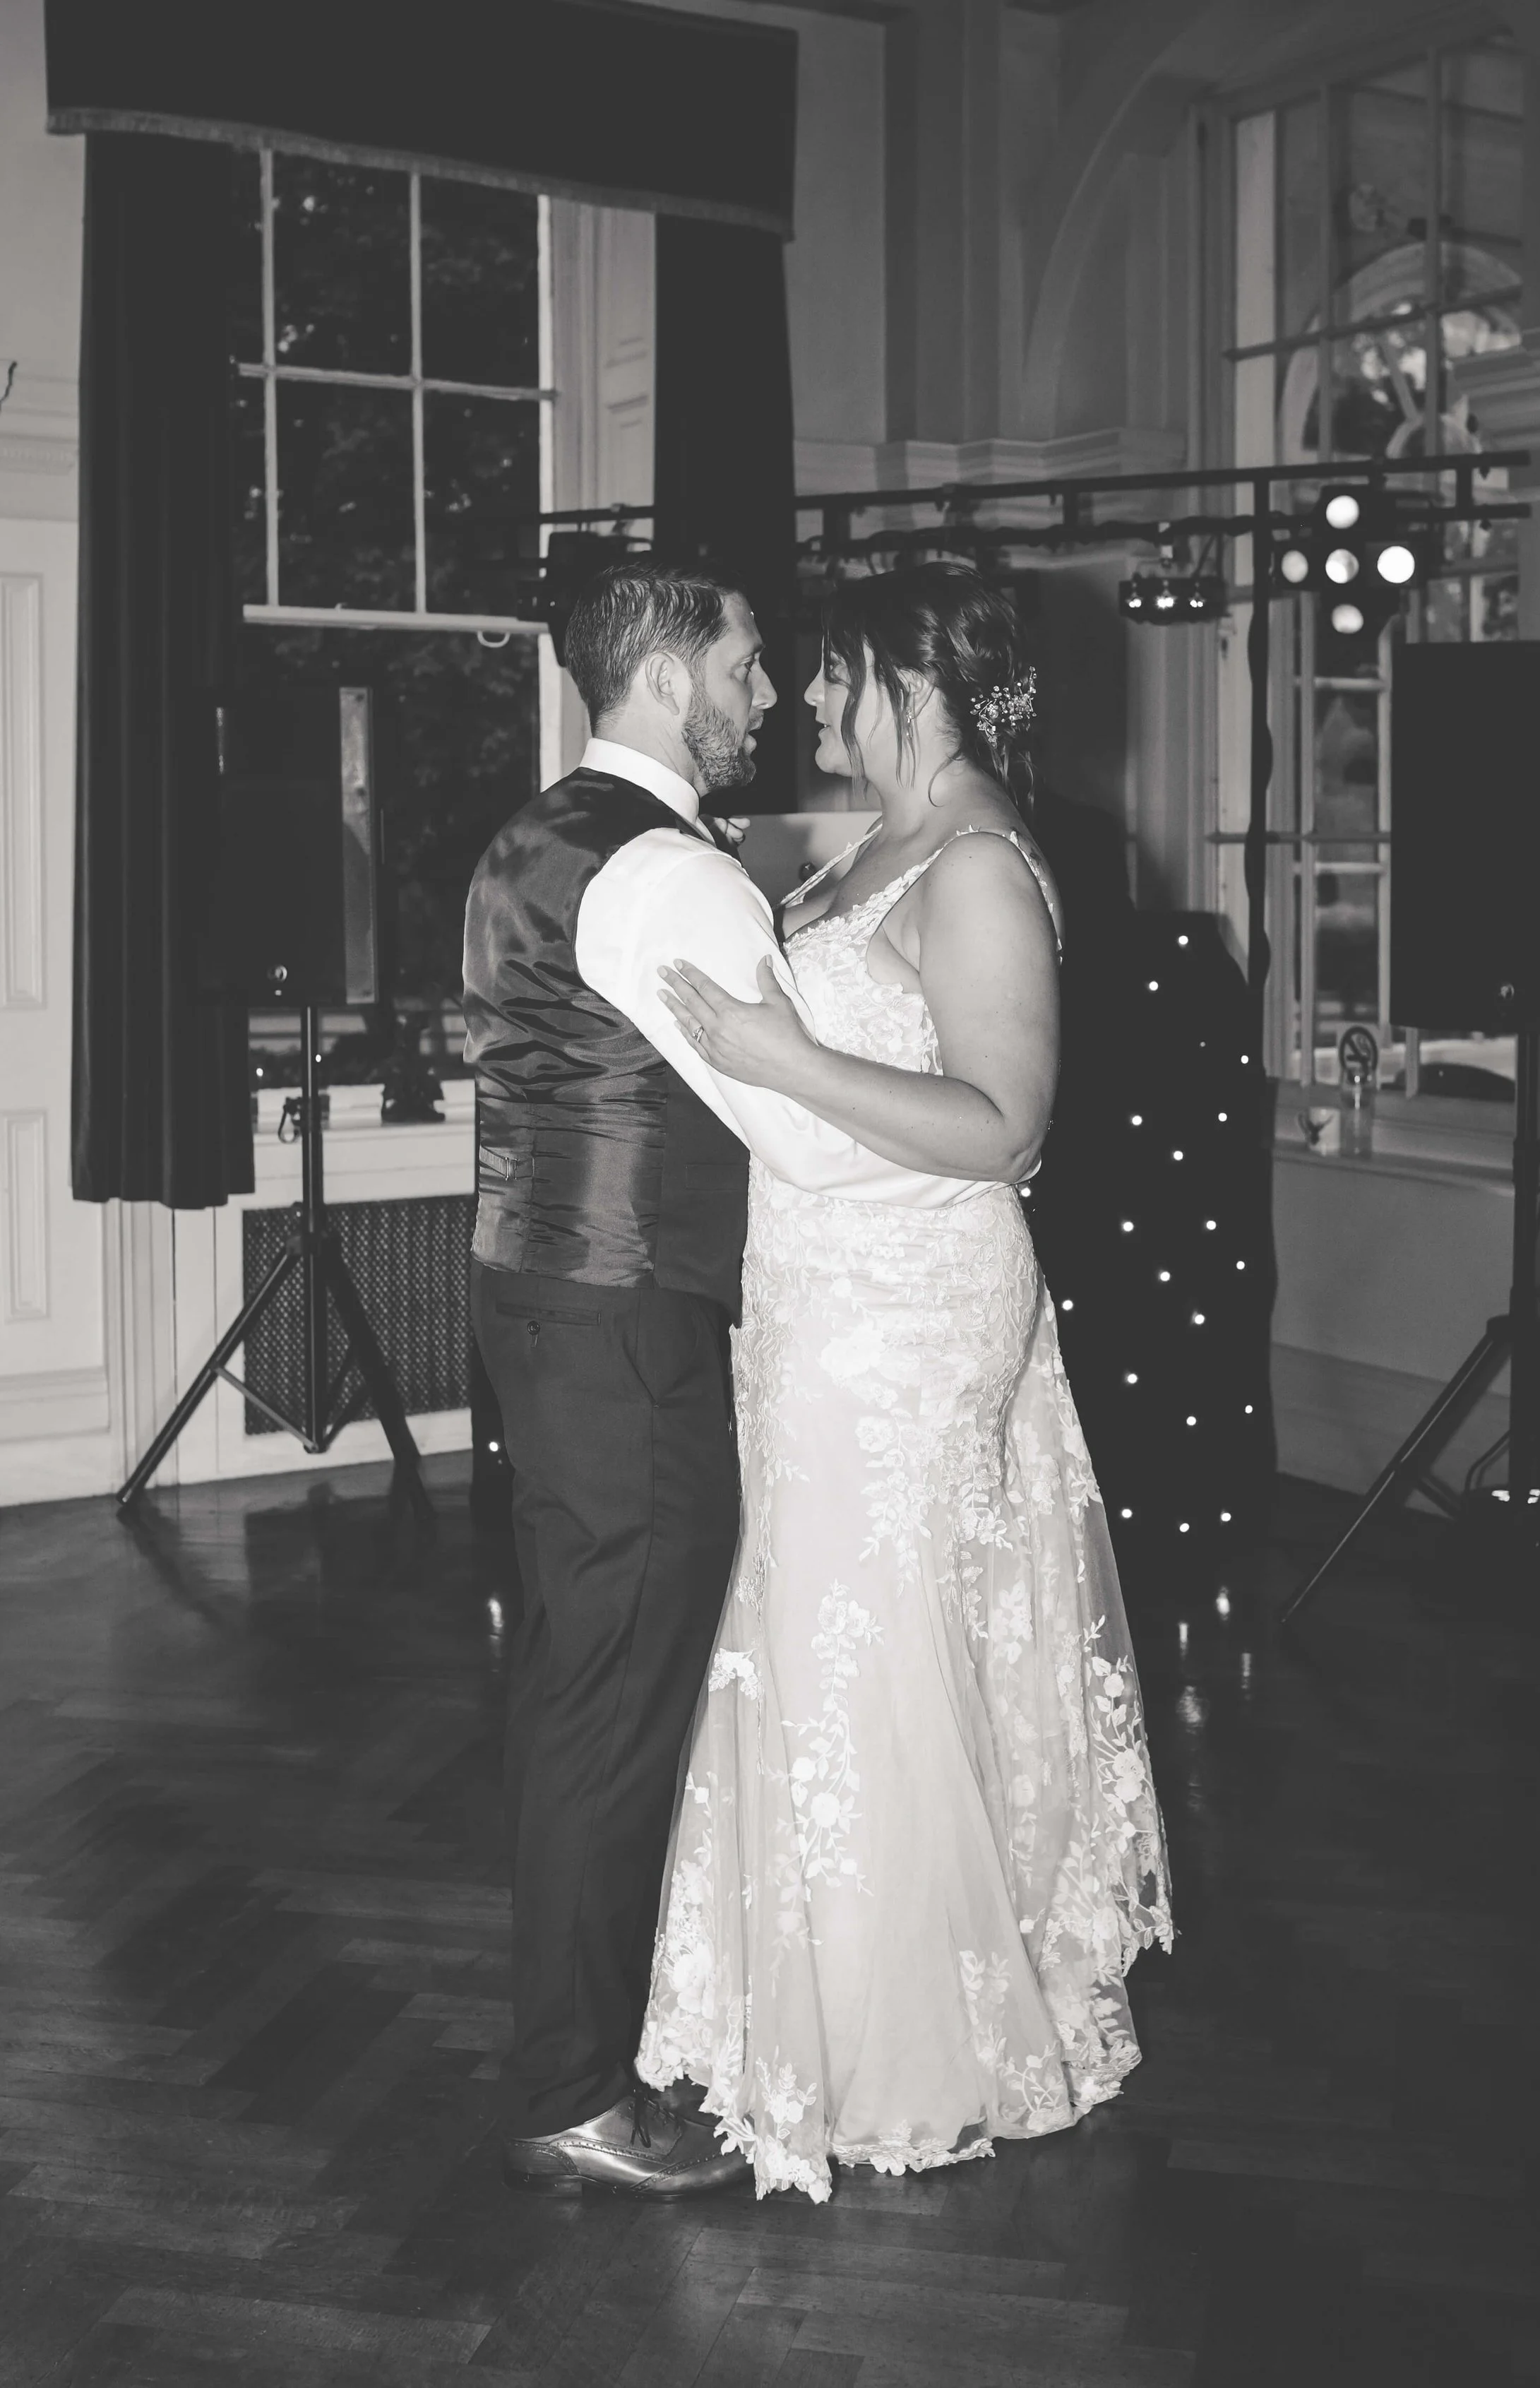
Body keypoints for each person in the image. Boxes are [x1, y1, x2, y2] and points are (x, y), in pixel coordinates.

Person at [637, 562, 1172, 2202]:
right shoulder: (870, 845)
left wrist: (783, 1055)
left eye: (829, 677)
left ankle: (898, 2057)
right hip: (814, 1298)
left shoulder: (985, 863)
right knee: (812, 1633)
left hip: (912, 1311)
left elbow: (1005, 1128)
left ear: (911, 681)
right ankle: (799, 2023)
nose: (801, 704)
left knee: (861, 1639)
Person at [464, 562, 982, 2200]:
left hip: (543, 1295)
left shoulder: (531, 836)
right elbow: (807, 1132)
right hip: (624, 1325)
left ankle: (565, 2052)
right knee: (614, 1699)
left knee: (575, 1677)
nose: (769, 696)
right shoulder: (675, 879)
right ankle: (571, 2086)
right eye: (748, 663)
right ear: (672, 674)